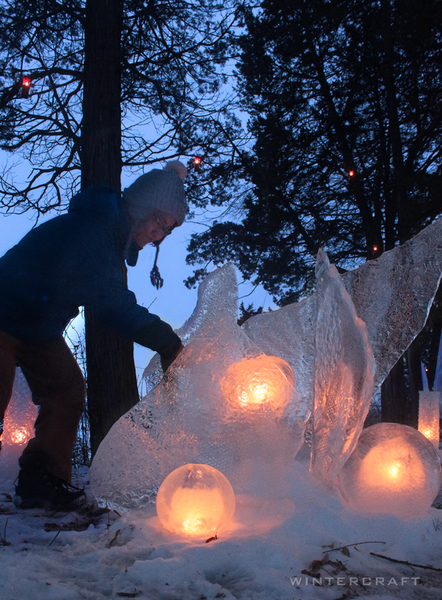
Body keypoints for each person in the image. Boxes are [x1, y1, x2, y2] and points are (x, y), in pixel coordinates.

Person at [0, 161, 187, 509]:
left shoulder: (108, 237)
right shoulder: (95, 233)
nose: (158, 235)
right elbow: (116, 307)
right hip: (4, 310)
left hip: (35, 326)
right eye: (160, 223)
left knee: (66, 387)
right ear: (143, 210)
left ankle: (42, 478)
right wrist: (168, 342)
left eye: (168, 230)